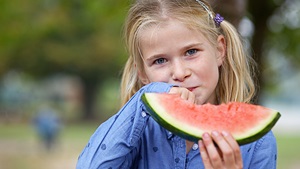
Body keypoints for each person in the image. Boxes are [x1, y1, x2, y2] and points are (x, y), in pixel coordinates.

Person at [76, 0, 277, 168]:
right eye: (160, 61)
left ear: (219, 50)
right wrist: (150, 93)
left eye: (191, 52)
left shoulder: (258, 143)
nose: (180, 74)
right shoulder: (137, 132)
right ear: (143, 74)